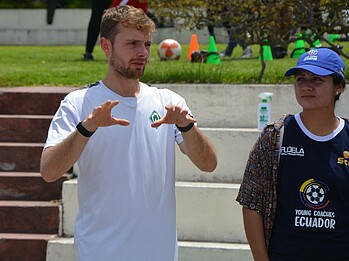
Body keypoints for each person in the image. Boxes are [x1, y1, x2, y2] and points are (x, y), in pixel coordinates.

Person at [41, 5, 217, 261]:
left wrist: (186, 126)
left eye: (146, 44)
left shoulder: (167, 101)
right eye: (132, 43)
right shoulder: (78, 103)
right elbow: (49, 171)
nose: (143, 53)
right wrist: (86, 128)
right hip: (100, 253)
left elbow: (209, 164)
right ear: (106, 46)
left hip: (160, 254)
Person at [236, 48, 348, 260]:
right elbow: (251, 203)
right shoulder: (275, 136)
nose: (306, 86)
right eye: (300, 79)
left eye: (317, 79)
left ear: (339, 87)